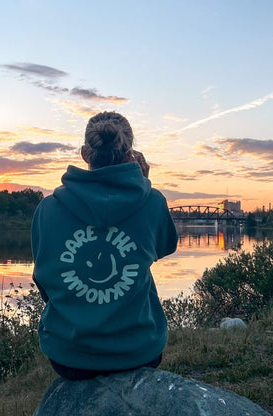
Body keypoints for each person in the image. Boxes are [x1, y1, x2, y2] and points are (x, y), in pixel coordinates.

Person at [31, 111, 178, 380]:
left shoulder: (48, 209)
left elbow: (43, 279)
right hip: (140, 350)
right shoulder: (153, 202)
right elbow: (164, 247)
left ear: (85, 154)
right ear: (130, 154)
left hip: (68, 353)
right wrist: (141, 186)